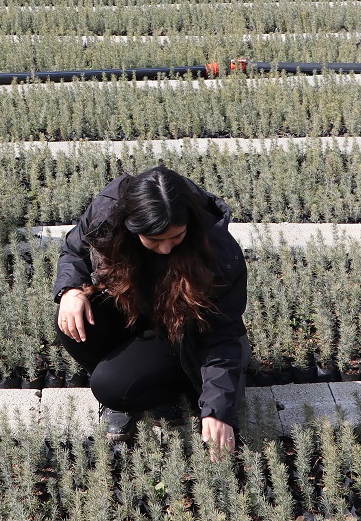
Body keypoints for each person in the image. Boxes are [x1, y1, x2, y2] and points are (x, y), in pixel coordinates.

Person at [53, 167, 249, 458]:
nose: (167, 248)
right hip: (137, 315)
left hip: (187, 336)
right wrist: (69, 290)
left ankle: (171, 395)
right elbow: (74, 252)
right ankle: (142, 390)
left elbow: (222, 334)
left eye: (176, 237)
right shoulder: (107, 214)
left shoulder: (217, 251)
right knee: (73, 318)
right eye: (154, 240)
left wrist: (217, 410)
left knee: (111, 385)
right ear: (131, 227)